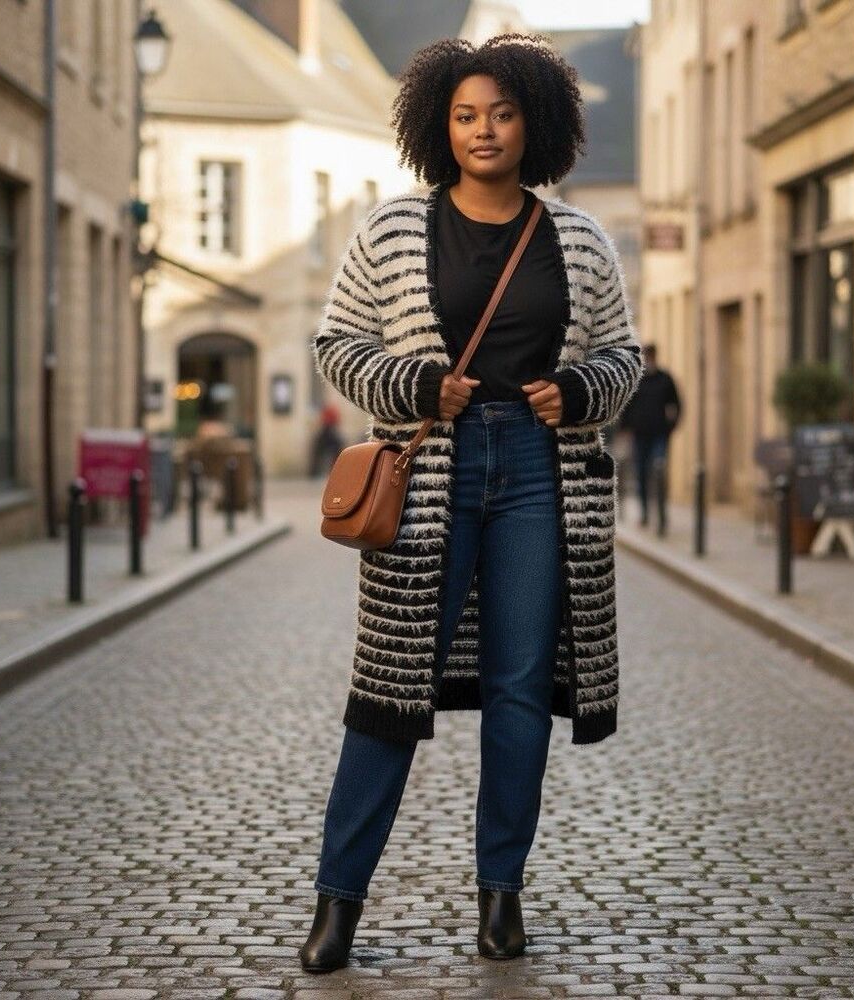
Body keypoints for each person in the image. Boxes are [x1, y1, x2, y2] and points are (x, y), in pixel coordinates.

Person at [303, 33, 644, 973]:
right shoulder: (388, 229)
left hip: (542, 475)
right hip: (426, 482)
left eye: (500, 113)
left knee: (520, 692)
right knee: (388, 692)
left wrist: (577, 396)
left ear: (533, 120)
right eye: (464, 116)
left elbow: (624, 355)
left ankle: (501, 897)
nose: (483, 130)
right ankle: (338, 904)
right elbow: (335, 343)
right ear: (437, 127)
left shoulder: (576, 236)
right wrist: (414, 385)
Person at [619, 342, 681, 534]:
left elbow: (677, 404)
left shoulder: (665, 379)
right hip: (639, 436)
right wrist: (626, 429)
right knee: (642, 474)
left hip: (659, 435)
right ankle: (645, 513)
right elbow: (626, 406)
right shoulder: (637, 380)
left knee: (659, 470)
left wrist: (670, 428)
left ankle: (662, 516)